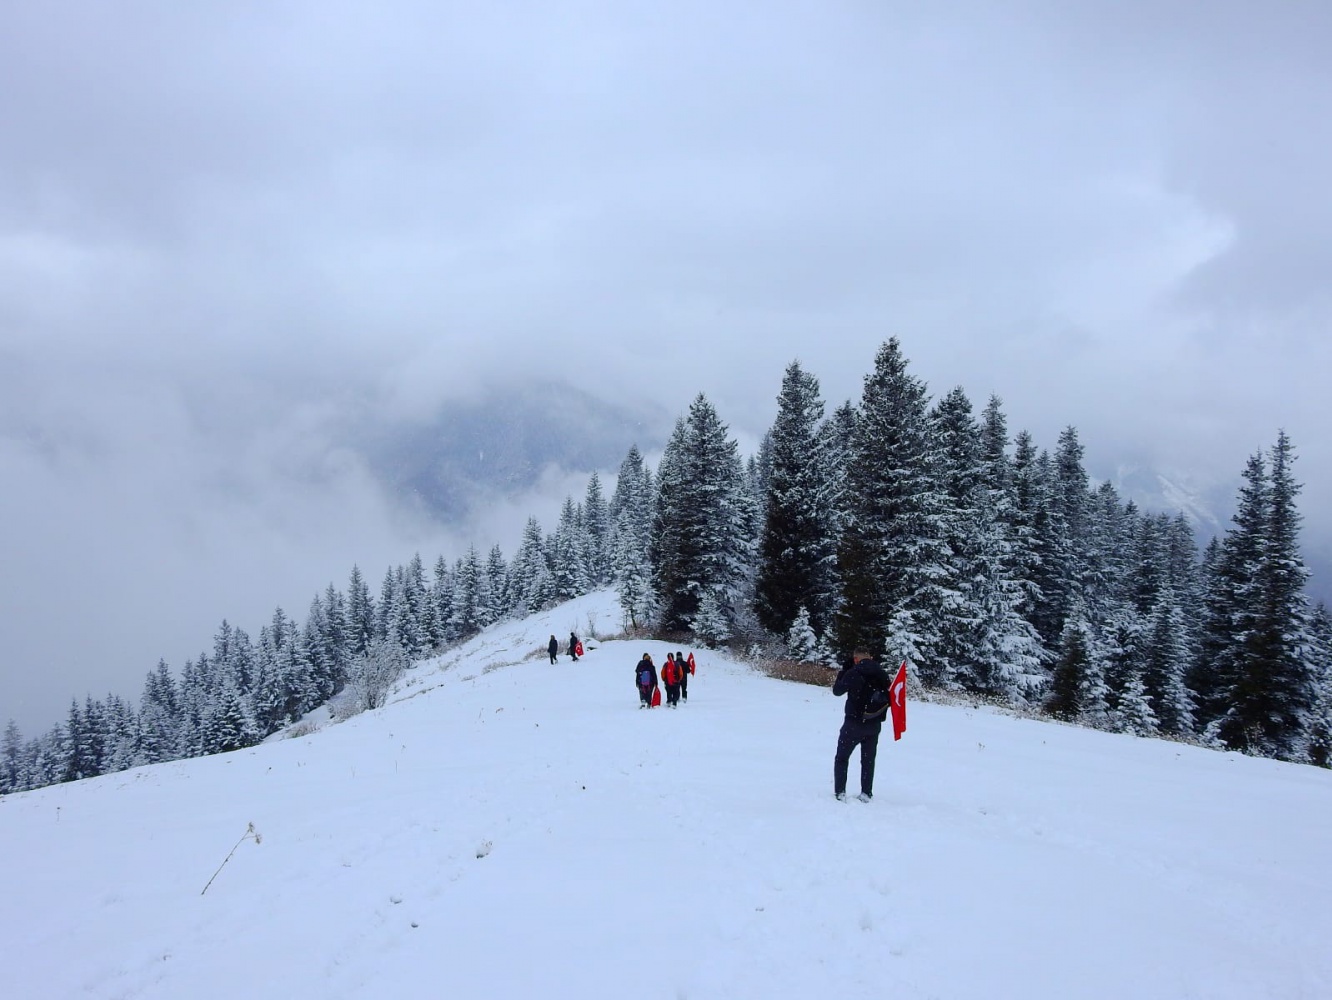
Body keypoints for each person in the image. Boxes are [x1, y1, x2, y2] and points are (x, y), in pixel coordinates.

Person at [832, 650, 891, 802]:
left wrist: (843, 671)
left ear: (856, 659)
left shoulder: (853, 672)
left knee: (842, 758)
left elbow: (837, 691)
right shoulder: (882, 674)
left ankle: (840, 792)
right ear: (871, 658)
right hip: (874, 724)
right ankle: (866, 793)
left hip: (853, 723)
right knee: (868, 760)